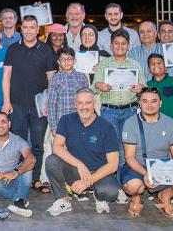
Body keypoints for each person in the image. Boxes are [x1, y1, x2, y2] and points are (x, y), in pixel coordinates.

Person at [2, 14, 58, 193]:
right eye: (25, 27)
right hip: (17, 104)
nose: (28, 31)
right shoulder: (12, 49)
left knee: (37, 144)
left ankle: (35, 179)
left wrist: (50, 103)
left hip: (39, 107)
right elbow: (6, 77)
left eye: (32, 27)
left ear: (37, 29)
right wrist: (6, 101)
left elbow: (52, 79)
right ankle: (19, 176)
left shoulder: (46, 50)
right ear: (21, 29)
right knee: (18, 142)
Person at [120, 88, 173, 218]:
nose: (149, 105)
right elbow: (130, 157)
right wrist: (146, 173)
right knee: (133, 186)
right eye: (145, 101)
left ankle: (164, 196)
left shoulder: (170, 123)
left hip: (163, 165)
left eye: (154, 101)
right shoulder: (130, 123)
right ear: (139, 103)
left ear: (160, 103)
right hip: (139, 165)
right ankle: (136, 198)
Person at [45, 88, 120, 216]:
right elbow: (57, 147)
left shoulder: (106, 127)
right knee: (52, 161)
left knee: (110, 192)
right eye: (80, 103)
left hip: (99, 174)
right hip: (76, 171)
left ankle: (99, 197)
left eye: (88, 103)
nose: (84, 107)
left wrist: (86, 181)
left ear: (94, 103)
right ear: (75, 104)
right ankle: (63, 200)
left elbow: (113, 165)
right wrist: (80, 165)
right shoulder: (66, 120)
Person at [92, 29, 145, 178]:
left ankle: (124, 180)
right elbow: (94, 87)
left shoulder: (135, 65)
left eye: (123, 43)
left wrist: (140, 88)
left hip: (130, 110)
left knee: (127, 146)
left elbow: (144, 87)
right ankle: (110, 179)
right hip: (109, 111)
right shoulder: (103, 64)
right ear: (111, 45)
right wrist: (99, 86)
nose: (120, 46)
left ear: (128, 46)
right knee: (110, 146)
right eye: (116, 43)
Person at [47, 48, 90, 137]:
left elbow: (88, 102)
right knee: (62, 145)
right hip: (62, 122)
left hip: (80, 121)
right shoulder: (55, 79)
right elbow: (51, 104)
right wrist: (53, 127)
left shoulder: (82, 78)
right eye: (63, 59)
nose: (66, 62)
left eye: (69, 59)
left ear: (74, 61)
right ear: (58, 62)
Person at [146, 53, 173, 128]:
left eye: (159, 63)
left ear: (166, 67)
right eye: (152, 63)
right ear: (149, 70)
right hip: (154, 125)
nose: (156, 65)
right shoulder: (147, 85)